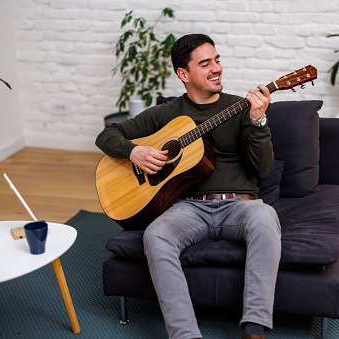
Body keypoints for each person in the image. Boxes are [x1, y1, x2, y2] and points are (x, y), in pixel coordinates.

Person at [96, 33, 281, 339]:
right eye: (205, 63)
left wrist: (259, 122)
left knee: (266, 220)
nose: (216, 68)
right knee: (156, 235)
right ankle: (185, 335)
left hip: (240, 204)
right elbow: (107, 135)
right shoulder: (167, 113)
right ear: (184, 74)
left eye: (217, 60)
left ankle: (254, 329)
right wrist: (135, 152)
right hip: (187, 207)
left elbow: (262, 169)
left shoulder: (242, 108)